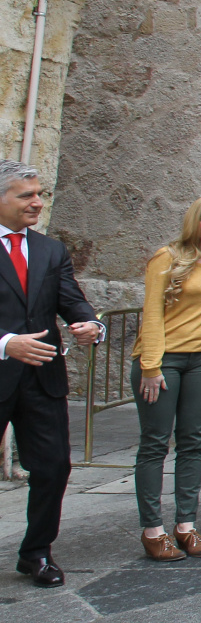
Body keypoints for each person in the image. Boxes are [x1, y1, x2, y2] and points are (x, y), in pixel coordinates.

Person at [0, 162, 103, 587]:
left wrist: (90, 325)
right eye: (27, 195)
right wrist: (7, 343)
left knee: (54, 467)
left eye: (39, 193)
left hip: (42, 378)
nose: (38, 202)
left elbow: (71, 300)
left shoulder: (50, 250)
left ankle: (36, 552)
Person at [132, 197, 201, 561]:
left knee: (193, 442)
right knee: (155, 443)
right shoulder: (167, 257)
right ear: (194, 221)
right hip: (164, 360)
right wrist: (151, 366)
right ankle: (152, 529)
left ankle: (186, 525)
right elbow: (152, 313)